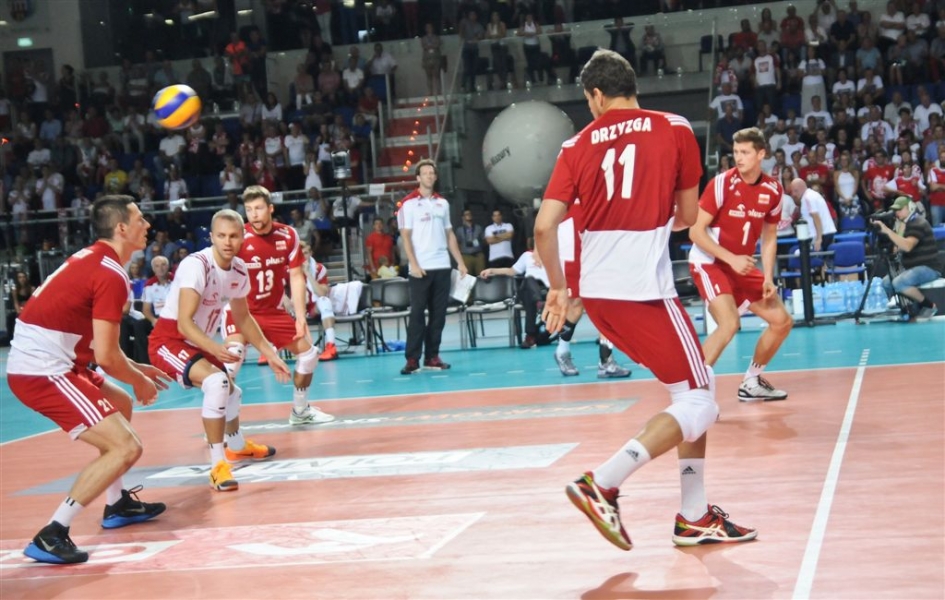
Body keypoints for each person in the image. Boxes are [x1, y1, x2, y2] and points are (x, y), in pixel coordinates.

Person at [535, 49, 756, 551]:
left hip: (599, 297)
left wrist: (558, 287)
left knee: (693, 389)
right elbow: (687, 216)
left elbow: (545, 226)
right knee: (699, 400)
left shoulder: (575, 143)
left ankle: (694, 516)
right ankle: (603, 482)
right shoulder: (674, 127)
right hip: (643, 290)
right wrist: (652, 209)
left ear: (596, 95)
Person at [7, 196, 170, 564]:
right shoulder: (110, 272)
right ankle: (52, 532)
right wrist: (138, 380)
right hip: (43, 369)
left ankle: (117, 503)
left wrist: (135, 368)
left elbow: (101, 345)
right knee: (126, 447)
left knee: (120, 403)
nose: (147, 224)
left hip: (57, 359)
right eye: (140, 219)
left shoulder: (95, 259)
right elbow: (107, 358)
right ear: (122, 228)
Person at [149, 209, 292, 493]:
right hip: (169, 340)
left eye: (234, 236)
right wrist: (216, 347)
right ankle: (217, 466)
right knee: (218, 383)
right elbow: (184, 323)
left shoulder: (239, 270)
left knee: (232, 392)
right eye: (222, 236)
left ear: (243, 238)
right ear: (212, 237)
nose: (228, 242)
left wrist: (271, 353)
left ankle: (236, 446)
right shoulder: (197, 265)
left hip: (196, 342)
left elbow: (244, 319)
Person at [688, 127, 794, 402]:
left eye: (745, 152)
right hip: (710, 261)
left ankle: (751, 381)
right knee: (729, 323)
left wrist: (768, 276)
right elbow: (695, 232)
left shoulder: (773, 189)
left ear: (761, 154)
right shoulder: (721, 184)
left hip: (741, 266)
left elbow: (769, 237)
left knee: (782, 321)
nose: (738, 157)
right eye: (736, 152)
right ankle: (691, 394)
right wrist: (731, 258)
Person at [221, 186, 337, 419]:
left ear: (270, 208)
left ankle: (300, 410)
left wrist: (300, 318)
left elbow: (296, 276)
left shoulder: (288, 235)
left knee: (309, 355)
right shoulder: (238, 237)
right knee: (232, 360)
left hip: (272, 312)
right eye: (249, 209)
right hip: (241, 311)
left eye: (259, 208)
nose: (254, 214)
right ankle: (218, 419)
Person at [398, 159, 467, 374]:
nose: (429, 176)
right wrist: (414, 265)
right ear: (418, 177)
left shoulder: (442, 203)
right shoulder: (408, 204)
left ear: (435, 177)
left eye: (432, 173)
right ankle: (412, 359)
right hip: (420, 268)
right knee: (417, 314)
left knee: (439, 315)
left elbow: (449, 234)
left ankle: (432, 357)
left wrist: (460, 262)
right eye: (425, 173)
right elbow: (405, 237)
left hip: (442, 266)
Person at [874, 196, 943, 319]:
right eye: (896, 210)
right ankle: (903, 307)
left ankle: (929, 306)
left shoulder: (918, 223)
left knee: (899, 282)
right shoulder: (904, 225)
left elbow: (907, 246)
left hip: (929, 267)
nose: (897, 213)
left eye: (900, 210)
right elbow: (897, 249)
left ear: (909, 208)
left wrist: (888, 231)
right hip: (911, 267)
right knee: (886, 283)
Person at [301, 241, 365, 356]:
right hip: (297, 306)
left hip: (313, 307)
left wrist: (307, 273)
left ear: (311, 253)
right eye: (300, 254)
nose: (303, 257)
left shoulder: (319, 268)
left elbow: (321, 293)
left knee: (324, 301)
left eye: (305, 253)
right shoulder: (288, 270)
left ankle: (331, 346)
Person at [788, 178, 838, 251]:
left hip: (820, 234)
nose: (794, 194)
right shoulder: (812, 195)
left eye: (795, 191)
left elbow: (816, 217)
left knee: (815, 257)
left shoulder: (808, 198)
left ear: (801, 188)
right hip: (825, 232)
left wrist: (819, 239)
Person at [455, 209, 485, 276]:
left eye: (470, 214)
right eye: (466, 214)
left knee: (481, 275)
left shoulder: (478, 228)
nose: (469, 215)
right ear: (463, 217)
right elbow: (457, 243)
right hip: (466, 255)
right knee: (467, 275)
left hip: (478, 255)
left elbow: (483, 241)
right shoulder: (459, 230)